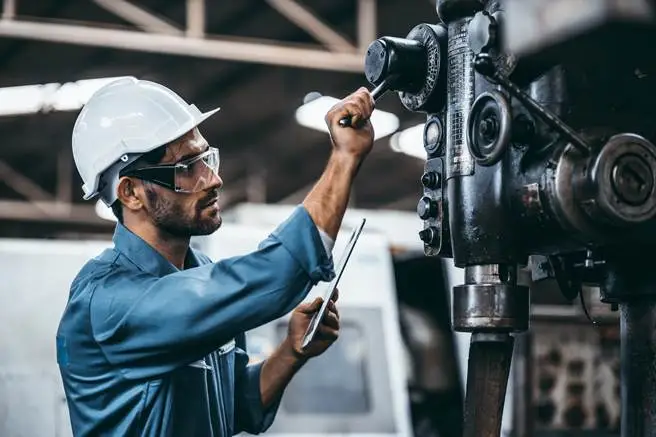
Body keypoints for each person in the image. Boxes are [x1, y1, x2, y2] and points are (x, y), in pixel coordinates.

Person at [55, 77, 376, 437]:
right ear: (130, 193)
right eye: (186, 168)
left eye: (206, 158)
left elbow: (233, 404)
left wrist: (291, 351)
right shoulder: (109, 301)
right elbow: (276, 273)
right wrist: (344, 158)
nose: (213, 179)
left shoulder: (199, 272)